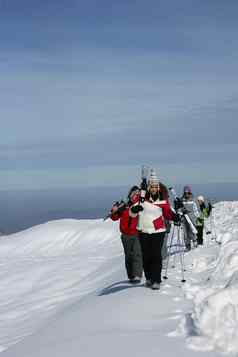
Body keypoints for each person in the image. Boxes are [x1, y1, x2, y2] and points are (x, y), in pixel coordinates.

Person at [130, 169, 179, 290]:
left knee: (156, 255)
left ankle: (156, 280)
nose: (154, 188)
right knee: (146, 256)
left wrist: (174, 217)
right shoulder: (141, 199)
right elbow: (132, 212)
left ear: (158, 187)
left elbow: (168, 214)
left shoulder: (162, 200)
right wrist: (134, 211)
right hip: (143, 230)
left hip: (158, 230)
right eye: (152, 186)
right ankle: (149, 278)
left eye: (156, 186)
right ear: (149, 187)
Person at [110, 186, 143, 283]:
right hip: (125, 234)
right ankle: (131, 276)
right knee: (128, 256)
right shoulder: (124, 205)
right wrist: (114, 210)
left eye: (137, 193)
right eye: (134, 193)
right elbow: (114, 217)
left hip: (137, 233)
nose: (135, 195)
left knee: (137, 254)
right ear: (130, 193)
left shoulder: (140, 204)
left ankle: (137, 275)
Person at [181, 185, 200, 251]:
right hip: (184, 218)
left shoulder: (193, 199)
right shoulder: (182, 199)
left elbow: (196, 209)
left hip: (192, 217)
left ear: (190, 192)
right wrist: (180, 212)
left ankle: (195, 241)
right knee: (185, 232)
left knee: (192, 230)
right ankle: (187, 245)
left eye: (188, 193)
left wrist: (197, 217)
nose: (186, 194)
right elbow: (179, 209)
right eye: (185, 193)